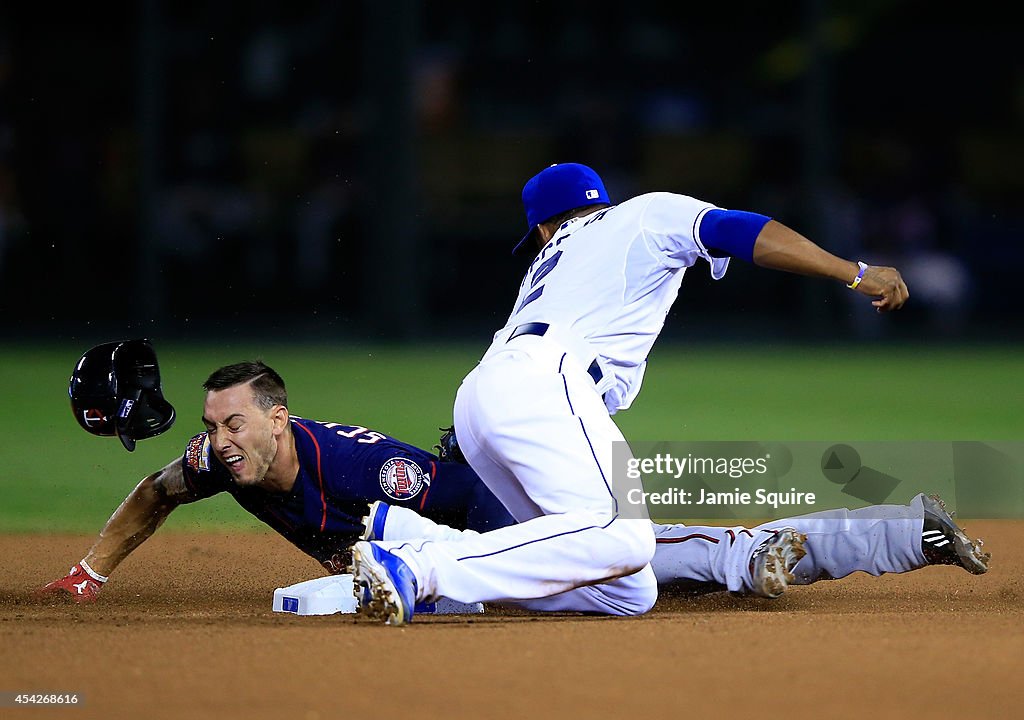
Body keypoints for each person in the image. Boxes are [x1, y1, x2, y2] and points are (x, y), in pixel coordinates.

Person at [348, 162, 913, 625]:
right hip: (545, 382)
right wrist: (854, 271)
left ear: (543, 228)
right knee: (620, 533)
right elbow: (741, 231)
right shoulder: (642, 214)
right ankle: (420, 569)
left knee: (626, 588)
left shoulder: (547, 261)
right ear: (599, 202)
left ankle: (416, 541)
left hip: (485, 395)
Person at [40, 357, 988, 606]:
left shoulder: (371, 465)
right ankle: (859, 539)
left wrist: (518, 566)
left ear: (279, 418)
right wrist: (91, 571)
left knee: (650, 565)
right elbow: (155, 492)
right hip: (483, 537)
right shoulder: (223, 462)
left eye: (232, 423)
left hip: (500, 524)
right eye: (213, 427)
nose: (219, 441)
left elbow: (472, 504)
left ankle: (897, 534)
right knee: (666, 569)